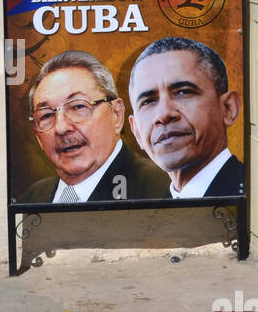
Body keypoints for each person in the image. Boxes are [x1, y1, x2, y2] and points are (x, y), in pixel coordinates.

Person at [20, 50, 170, 204]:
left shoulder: (165, 190)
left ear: (117, 114)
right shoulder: (31, 198)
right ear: (37, 136)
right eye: (46, 115)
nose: (61, 128)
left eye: (78, 106)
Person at [128, 37, 245, 198]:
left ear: (228, 108)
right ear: (137, 133)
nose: (163, 115)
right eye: (148, 101)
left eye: (183, 92)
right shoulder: (147, 214)